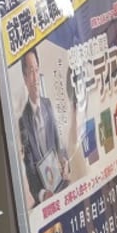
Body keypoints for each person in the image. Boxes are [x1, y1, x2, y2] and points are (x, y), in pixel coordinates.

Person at [16, 53, 69, 206]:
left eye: (37, 70)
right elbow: (29, 166)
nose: (35, 78)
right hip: (45, 195)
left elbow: (59, 141)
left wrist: (65, 160)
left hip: (61, 183)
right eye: (31, 72)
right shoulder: (23, 121)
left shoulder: (48, 104)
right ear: (25, 78)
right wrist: (42, 194)